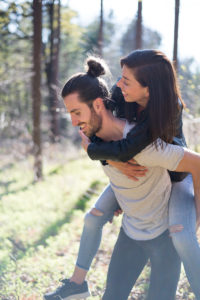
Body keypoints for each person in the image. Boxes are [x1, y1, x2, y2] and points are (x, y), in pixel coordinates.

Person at [43, 54, 200, 300]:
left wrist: (196, 213)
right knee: (93, 218)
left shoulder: (159, 123)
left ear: (148, 87)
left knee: (182, 236)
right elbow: (97, 137)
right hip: (134, 220)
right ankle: (77, 283)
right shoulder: (117, 99)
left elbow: (135, 149)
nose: (119, 84)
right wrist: (111, 159)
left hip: (177, 179)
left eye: (127, 80)